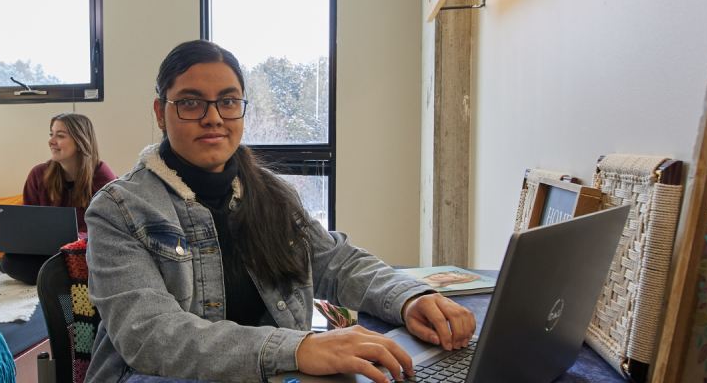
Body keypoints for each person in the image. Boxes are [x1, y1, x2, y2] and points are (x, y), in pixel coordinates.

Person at [83, 40, 478, 383]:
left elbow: (336, 262)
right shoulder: (118, 210)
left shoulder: (273, 194)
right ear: (159, 112)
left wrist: (408, 297)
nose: (213, 117)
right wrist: (300, 348)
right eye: (189, 102)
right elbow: (152, 336)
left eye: (228, 101)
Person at [2, 113, 117, 285]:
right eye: (51, 134)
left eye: (60, 136)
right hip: (48, 251)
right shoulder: (38, 174)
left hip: (86, 251)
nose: (51, 141)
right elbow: (28, 221)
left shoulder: (104, 179)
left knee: (105, 259)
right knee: (10, 261)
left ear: (80, 141)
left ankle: (57, 277)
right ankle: (65, 276)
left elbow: (110, 230)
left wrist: (78, 238)